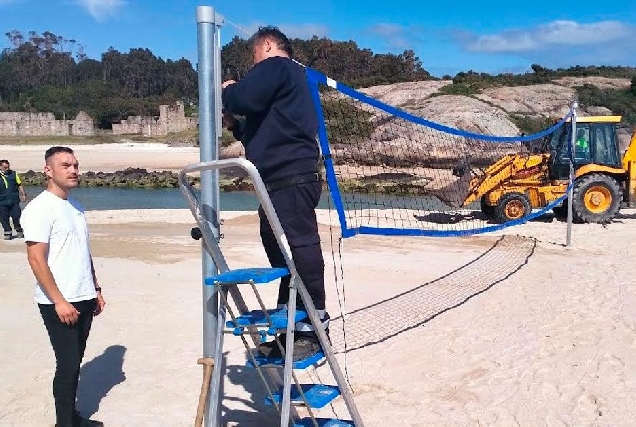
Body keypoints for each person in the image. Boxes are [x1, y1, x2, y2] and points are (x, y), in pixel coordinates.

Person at [221, 26, 328, 361]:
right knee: (282, 252)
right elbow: (265, 128)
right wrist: (237, 127)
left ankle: (314, 326)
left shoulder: (279, 66)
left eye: (254, 56)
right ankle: (290, 329)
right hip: (280, 177)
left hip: (290, 176)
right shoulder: (291, 81)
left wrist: (228, 89)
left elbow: (242, 98)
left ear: (267, 46)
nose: (254, 65)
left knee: (299, 246)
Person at [21, 146, 106, 427]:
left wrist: (96, 288)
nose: (73, 171)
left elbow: (84, 251)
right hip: (58, 301)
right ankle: (64, 423)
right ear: (48, 170)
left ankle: (72, 417)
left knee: (75, 363)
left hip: (83, 296)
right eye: (66, 165)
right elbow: (36, 259)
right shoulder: (39, 209)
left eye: (76, 165)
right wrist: (59, 301)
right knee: (68, 365)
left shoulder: (75, 206)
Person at [0, 159, 27, 240]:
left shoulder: (14, 174)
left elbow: (19, 184)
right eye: (5, 167)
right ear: (0, 167)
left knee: (16, 216)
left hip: (14, 200)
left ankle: (19, 230)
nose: (7, 169)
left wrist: (23, 194)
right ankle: (7, 232)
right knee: (3, 217)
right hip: (2, 201)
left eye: (8, 167)